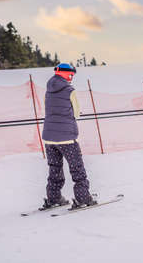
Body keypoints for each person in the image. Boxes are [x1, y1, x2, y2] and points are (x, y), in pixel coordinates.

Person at [41, 63, 97, 210]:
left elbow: (47, 110)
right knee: (77, 168)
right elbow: (76, 113)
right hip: (67, 137)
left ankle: (54, 198)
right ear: (66, 74)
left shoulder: (48, 90)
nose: (72, 78)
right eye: (71, 75)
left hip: (48, 137)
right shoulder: (69, 90)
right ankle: (83, 198)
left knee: (54, 168)